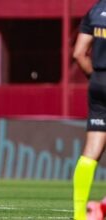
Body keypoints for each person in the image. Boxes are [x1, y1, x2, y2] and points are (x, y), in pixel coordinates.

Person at [72, 1, 106, 219]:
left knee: (91, 152)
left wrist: (96, 78)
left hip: (98, 83)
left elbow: (78, 53)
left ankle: (79, 214)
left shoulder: (96, 10)